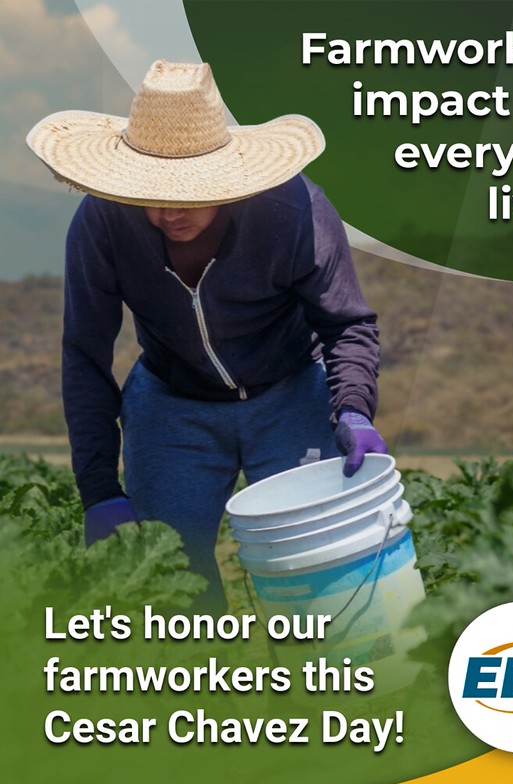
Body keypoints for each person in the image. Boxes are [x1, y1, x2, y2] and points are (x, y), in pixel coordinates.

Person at [27, 59, 387, 612]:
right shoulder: (103, 222)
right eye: (153, 191)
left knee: (320, 581)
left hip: (289, 390)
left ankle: (316, 695)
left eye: (189, 192)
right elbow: (85, 354)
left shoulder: (293, 210)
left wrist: (355, 410)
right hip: (172, 402)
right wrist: (98, 487)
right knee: (168, 581)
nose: (170, 211)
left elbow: (346, 324)